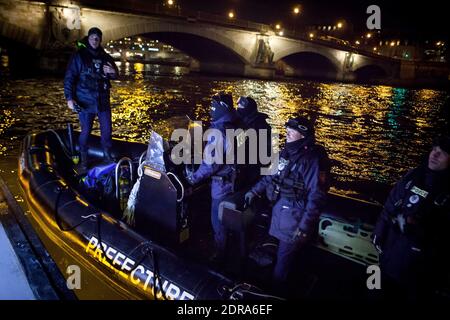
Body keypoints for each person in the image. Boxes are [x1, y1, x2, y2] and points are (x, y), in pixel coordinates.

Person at [245, 116, 329, 287]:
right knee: (279, 253)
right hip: (279, 211)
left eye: (293, 130)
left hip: (294, 217)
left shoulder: (311, 159)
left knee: (284, 259)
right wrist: (253, 191)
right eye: (287, 129)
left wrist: (304, 227)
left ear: (303, 135)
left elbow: (316, 196)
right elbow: (270, 175)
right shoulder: (286, 152)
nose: (287, 132)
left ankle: (277, 290)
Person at [373, 135, 450, 300]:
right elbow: (391, 203)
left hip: (417, 271)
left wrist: (418, 227)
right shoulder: (414, 175)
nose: (434, 155)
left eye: (442, 153)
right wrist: (379, 232)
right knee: (375, 291)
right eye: (434, 149)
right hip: (389, 255)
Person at [185, 93, 238, 260]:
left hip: (222, 186)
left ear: (221, 109)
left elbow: (210, 164)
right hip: (235, 179)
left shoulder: (219, 132)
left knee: (218, 220)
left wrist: (192, 179)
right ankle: (229, 249)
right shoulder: (237, 126)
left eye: (213, 107)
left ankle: (219, 256)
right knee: (227, 220)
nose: (210, 110)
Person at [64, 27, 119, 170]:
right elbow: (70, 77)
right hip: (85, 100)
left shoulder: (105, 56)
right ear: (88, 38)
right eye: (92, 37)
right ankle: (83, 158)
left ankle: (107, 155)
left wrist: (113, 72)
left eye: (97, 38)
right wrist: (70, 98)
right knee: (86, 130)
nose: (95, 40)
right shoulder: (79, 56)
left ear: (100, 40)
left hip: (102, 100)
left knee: (107, 130)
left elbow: (115, 73)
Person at [235, 96, 272, 186]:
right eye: (238, 107)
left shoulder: (261, 126)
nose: (238, 110)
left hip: (253, 172)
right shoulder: (241, 122)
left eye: (241, 107)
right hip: (242, 169)